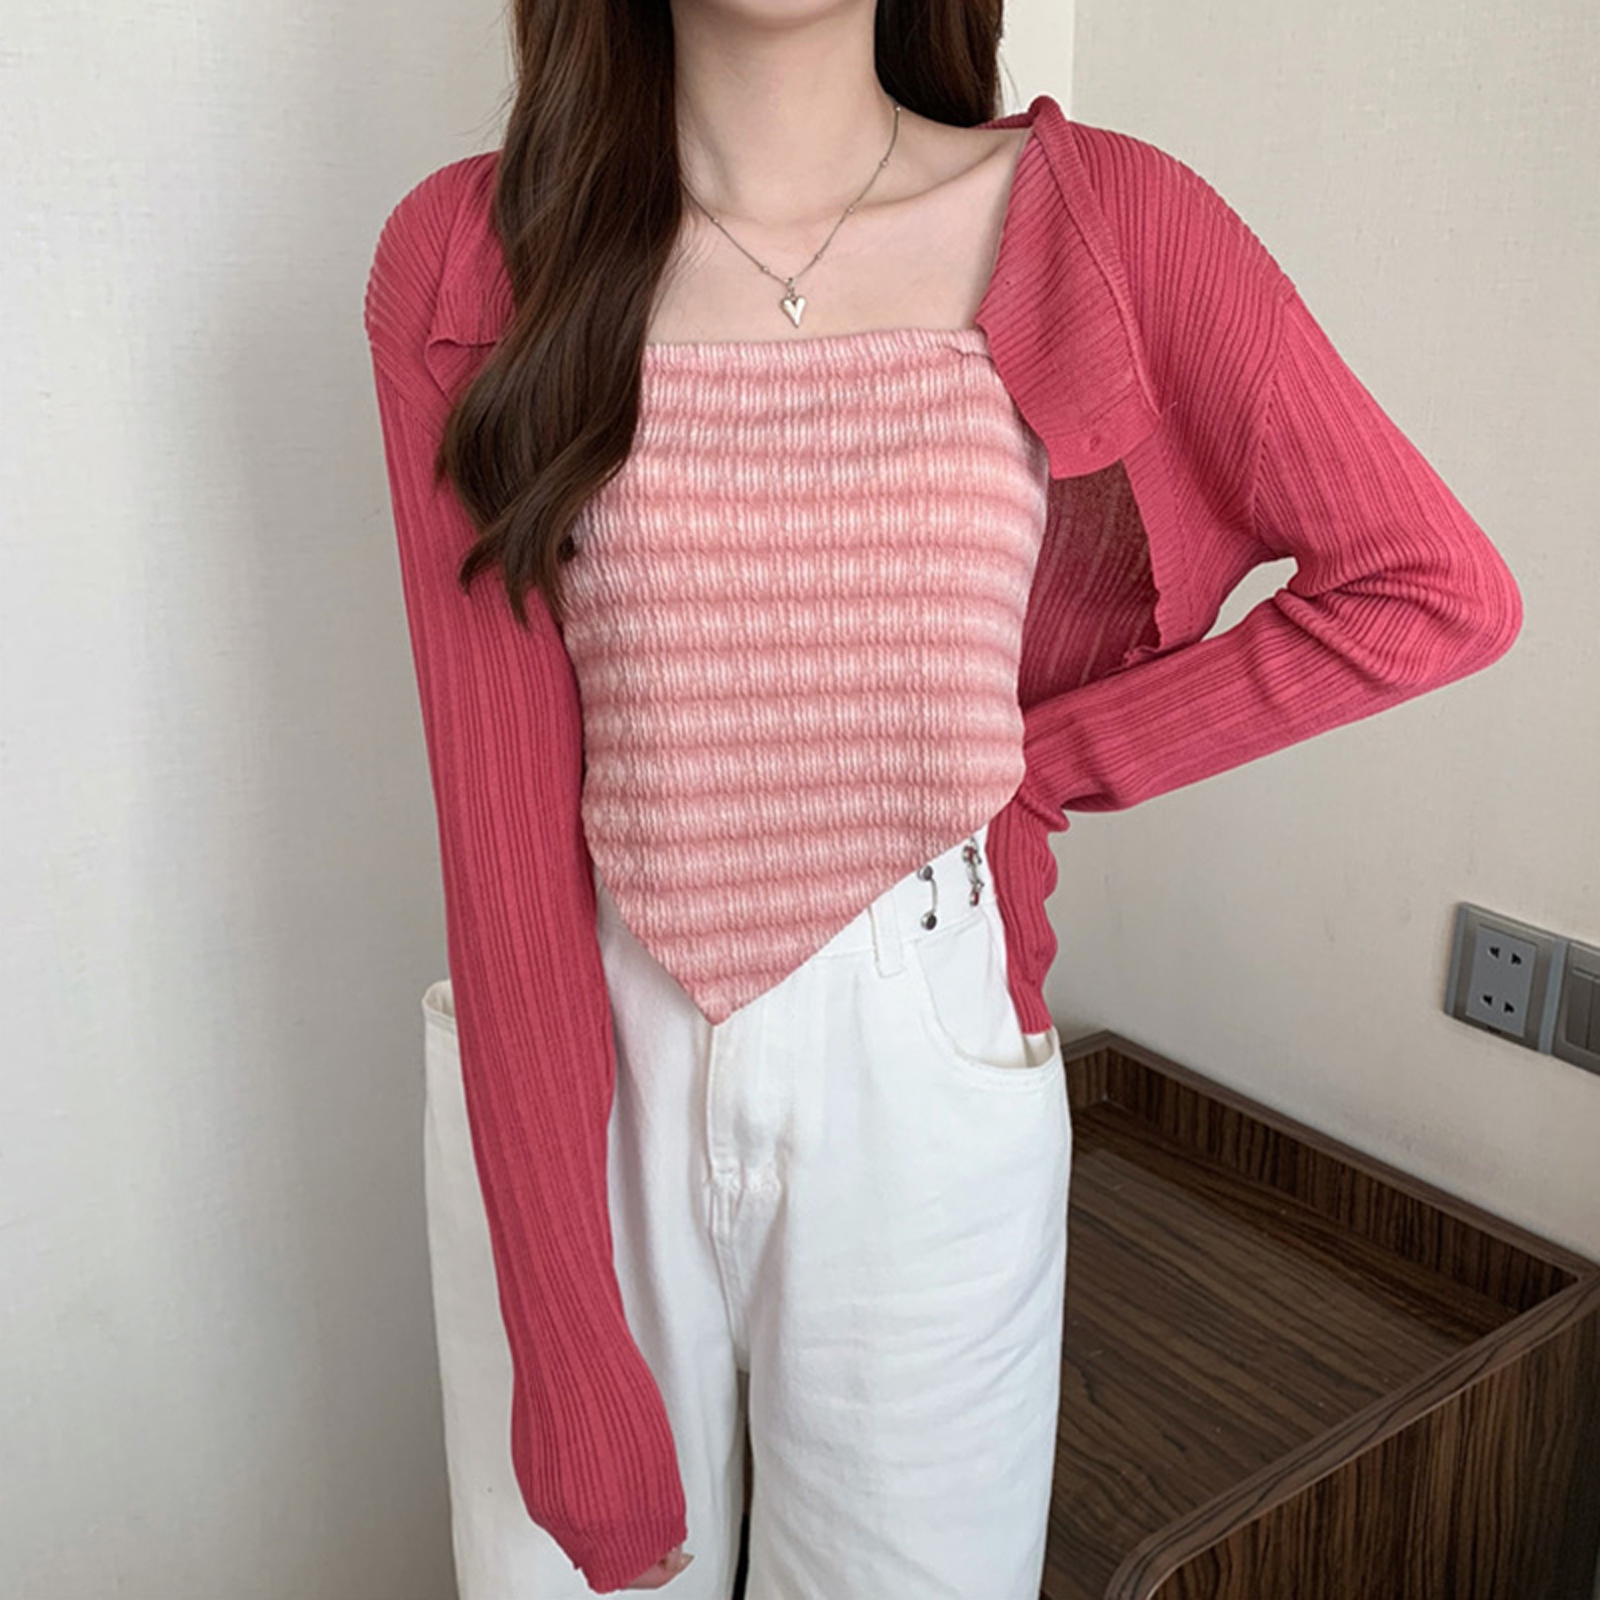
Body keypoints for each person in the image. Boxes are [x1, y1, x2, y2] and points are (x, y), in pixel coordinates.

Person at [363, 3, 1523, 1595]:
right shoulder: (469, 257)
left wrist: (1046, 767)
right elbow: (498, 827)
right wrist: (563, 1330)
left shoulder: (1104, 224)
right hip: (581, 1054)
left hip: (920, 1054)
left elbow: (1429, 589)